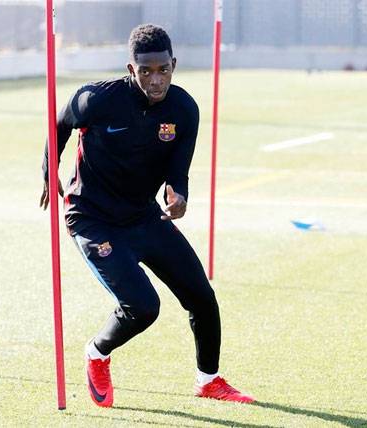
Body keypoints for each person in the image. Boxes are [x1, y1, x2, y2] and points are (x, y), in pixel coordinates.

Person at [39, 24, 254, 407]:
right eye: (146, 71)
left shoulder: (184, 109)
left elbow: (178, 169)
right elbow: (60, 125)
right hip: (92, 218)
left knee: (201, 297)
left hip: (144, 216)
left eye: (163, 70)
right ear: (130, 68)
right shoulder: (97, 99)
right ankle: (96, 353)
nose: (156, 80)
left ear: (173, 64)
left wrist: (179, 194)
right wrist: (48, 169)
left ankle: (209, 381)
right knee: (143, 307)